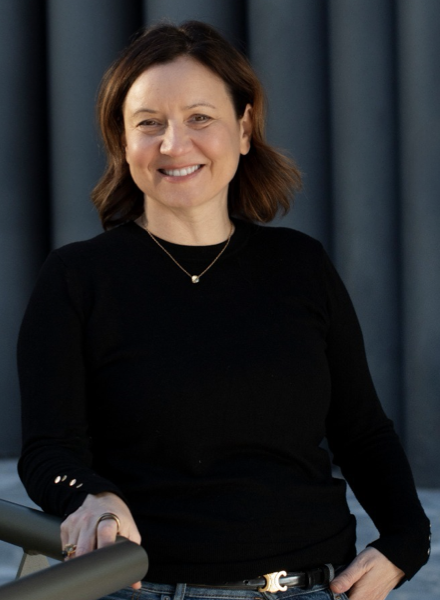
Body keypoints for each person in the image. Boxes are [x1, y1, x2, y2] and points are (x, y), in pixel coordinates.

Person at [17, 20, 430, 600]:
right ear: (123, 142)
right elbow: (49, 449)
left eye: (199, 118)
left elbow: (362, 432)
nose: (173, 144)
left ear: (243, 129)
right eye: (148, 123)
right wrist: (93, 498)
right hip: (145, 589)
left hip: (311, 588)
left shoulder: (301, 265)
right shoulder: (76, 278)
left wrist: (407, 543)